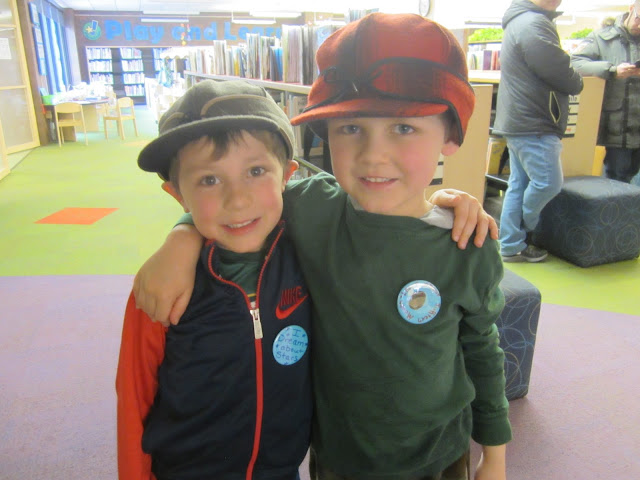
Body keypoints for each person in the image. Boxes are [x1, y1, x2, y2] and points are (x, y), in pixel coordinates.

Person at [134, 13, 511, 480]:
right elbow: (237, 203)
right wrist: (183, 235)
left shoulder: (466, 243)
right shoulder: (312, 209)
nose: (373, 154)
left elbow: (482, 347)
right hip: (336, 456)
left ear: (451, 134)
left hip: (438, 456)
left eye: (404, 127)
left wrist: (494, 452)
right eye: (351, 128)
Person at [115, 80, 312, 480]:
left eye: (256, 171)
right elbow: (133, 401)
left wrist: (452, 203)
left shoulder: (311, 251)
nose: (237, 199)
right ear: (177, 195)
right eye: (208, 180)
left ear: (287, 175)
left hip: (282, 469)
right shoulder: (160, 289)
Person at [493, 0, 584, 263]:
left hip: (522, 120)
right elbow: (558, 70)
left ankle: (511, 245)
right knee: (547, 182)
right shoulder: (533, 23)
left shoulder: (520, 21)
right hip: (535, 120)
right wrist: (576, 80)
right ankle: (524, 227)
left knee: (519, 185)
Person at [571, 2, 640, 184]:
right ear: (632, 9)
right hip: (616, 124)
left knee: (632, 180)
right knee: (617, 179)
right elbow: (574, 63)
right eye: (639, 18)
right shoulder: (601, 37)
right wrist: (611, 70)